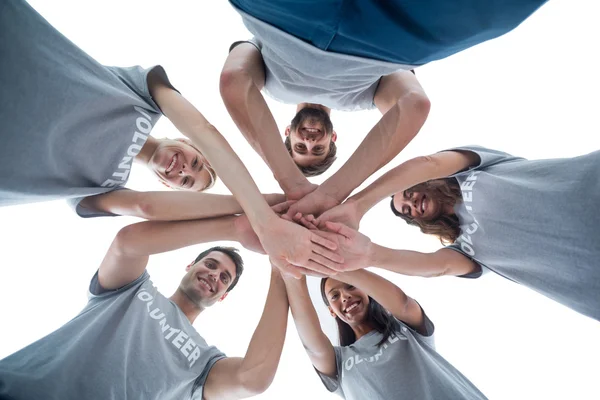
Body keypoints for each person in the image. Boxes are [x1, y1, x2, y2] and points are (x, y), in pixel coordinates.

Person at [0, 0, 343, 277]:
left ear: (168, 186)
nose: (182, 168)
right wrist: (268, 207)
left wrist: (262, 216)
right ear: (187, 143)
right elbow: (206, 131)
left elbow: (143, 207)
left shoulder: (101, 188)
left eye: (184, 180)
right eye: (194, 162)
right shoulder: (144, 94)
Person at [220, 0, 547, 218]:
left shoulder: (268, 86)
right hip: (386, 38)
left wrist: (290, 181)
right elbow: (415, 105)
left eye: (300, 147)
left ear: (287, 133)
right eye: (317, 148)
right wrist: (334, 194)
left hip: (283, 15)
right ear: (334, 138)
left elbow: (234, 81)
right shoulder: (363, 99)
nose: (310, 140)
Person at [0, 212, 289, 400]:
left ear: (223, 295)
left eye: (224, 278)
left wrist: (281, 267)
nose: (214, 275)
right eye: (210, 264)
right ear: (190, 265)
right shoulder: (133, 288)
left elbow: (253, 379)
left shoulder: (204, 363)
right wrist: (235, 228)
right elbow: (127, 243)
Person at [304, 146, 600, 321]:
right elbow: (436, 266)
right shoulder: (465, 249)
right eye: (407, 211)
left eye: (407, 194)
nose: (410, 204)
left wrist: (358, 205)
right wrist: (369, 254)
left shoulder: (474, 170)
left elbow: (428, 163)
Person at [283, 269, 487, 399]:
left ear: (366, 290)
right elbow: (312, 346)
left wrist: (335, 263)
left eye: (350, 286)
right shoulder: (339, 362)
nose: (344, 296)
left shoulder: (406, 328)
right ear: (331, 311)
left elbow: (404, 304)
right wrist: (292, 272)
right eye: (334, 296)